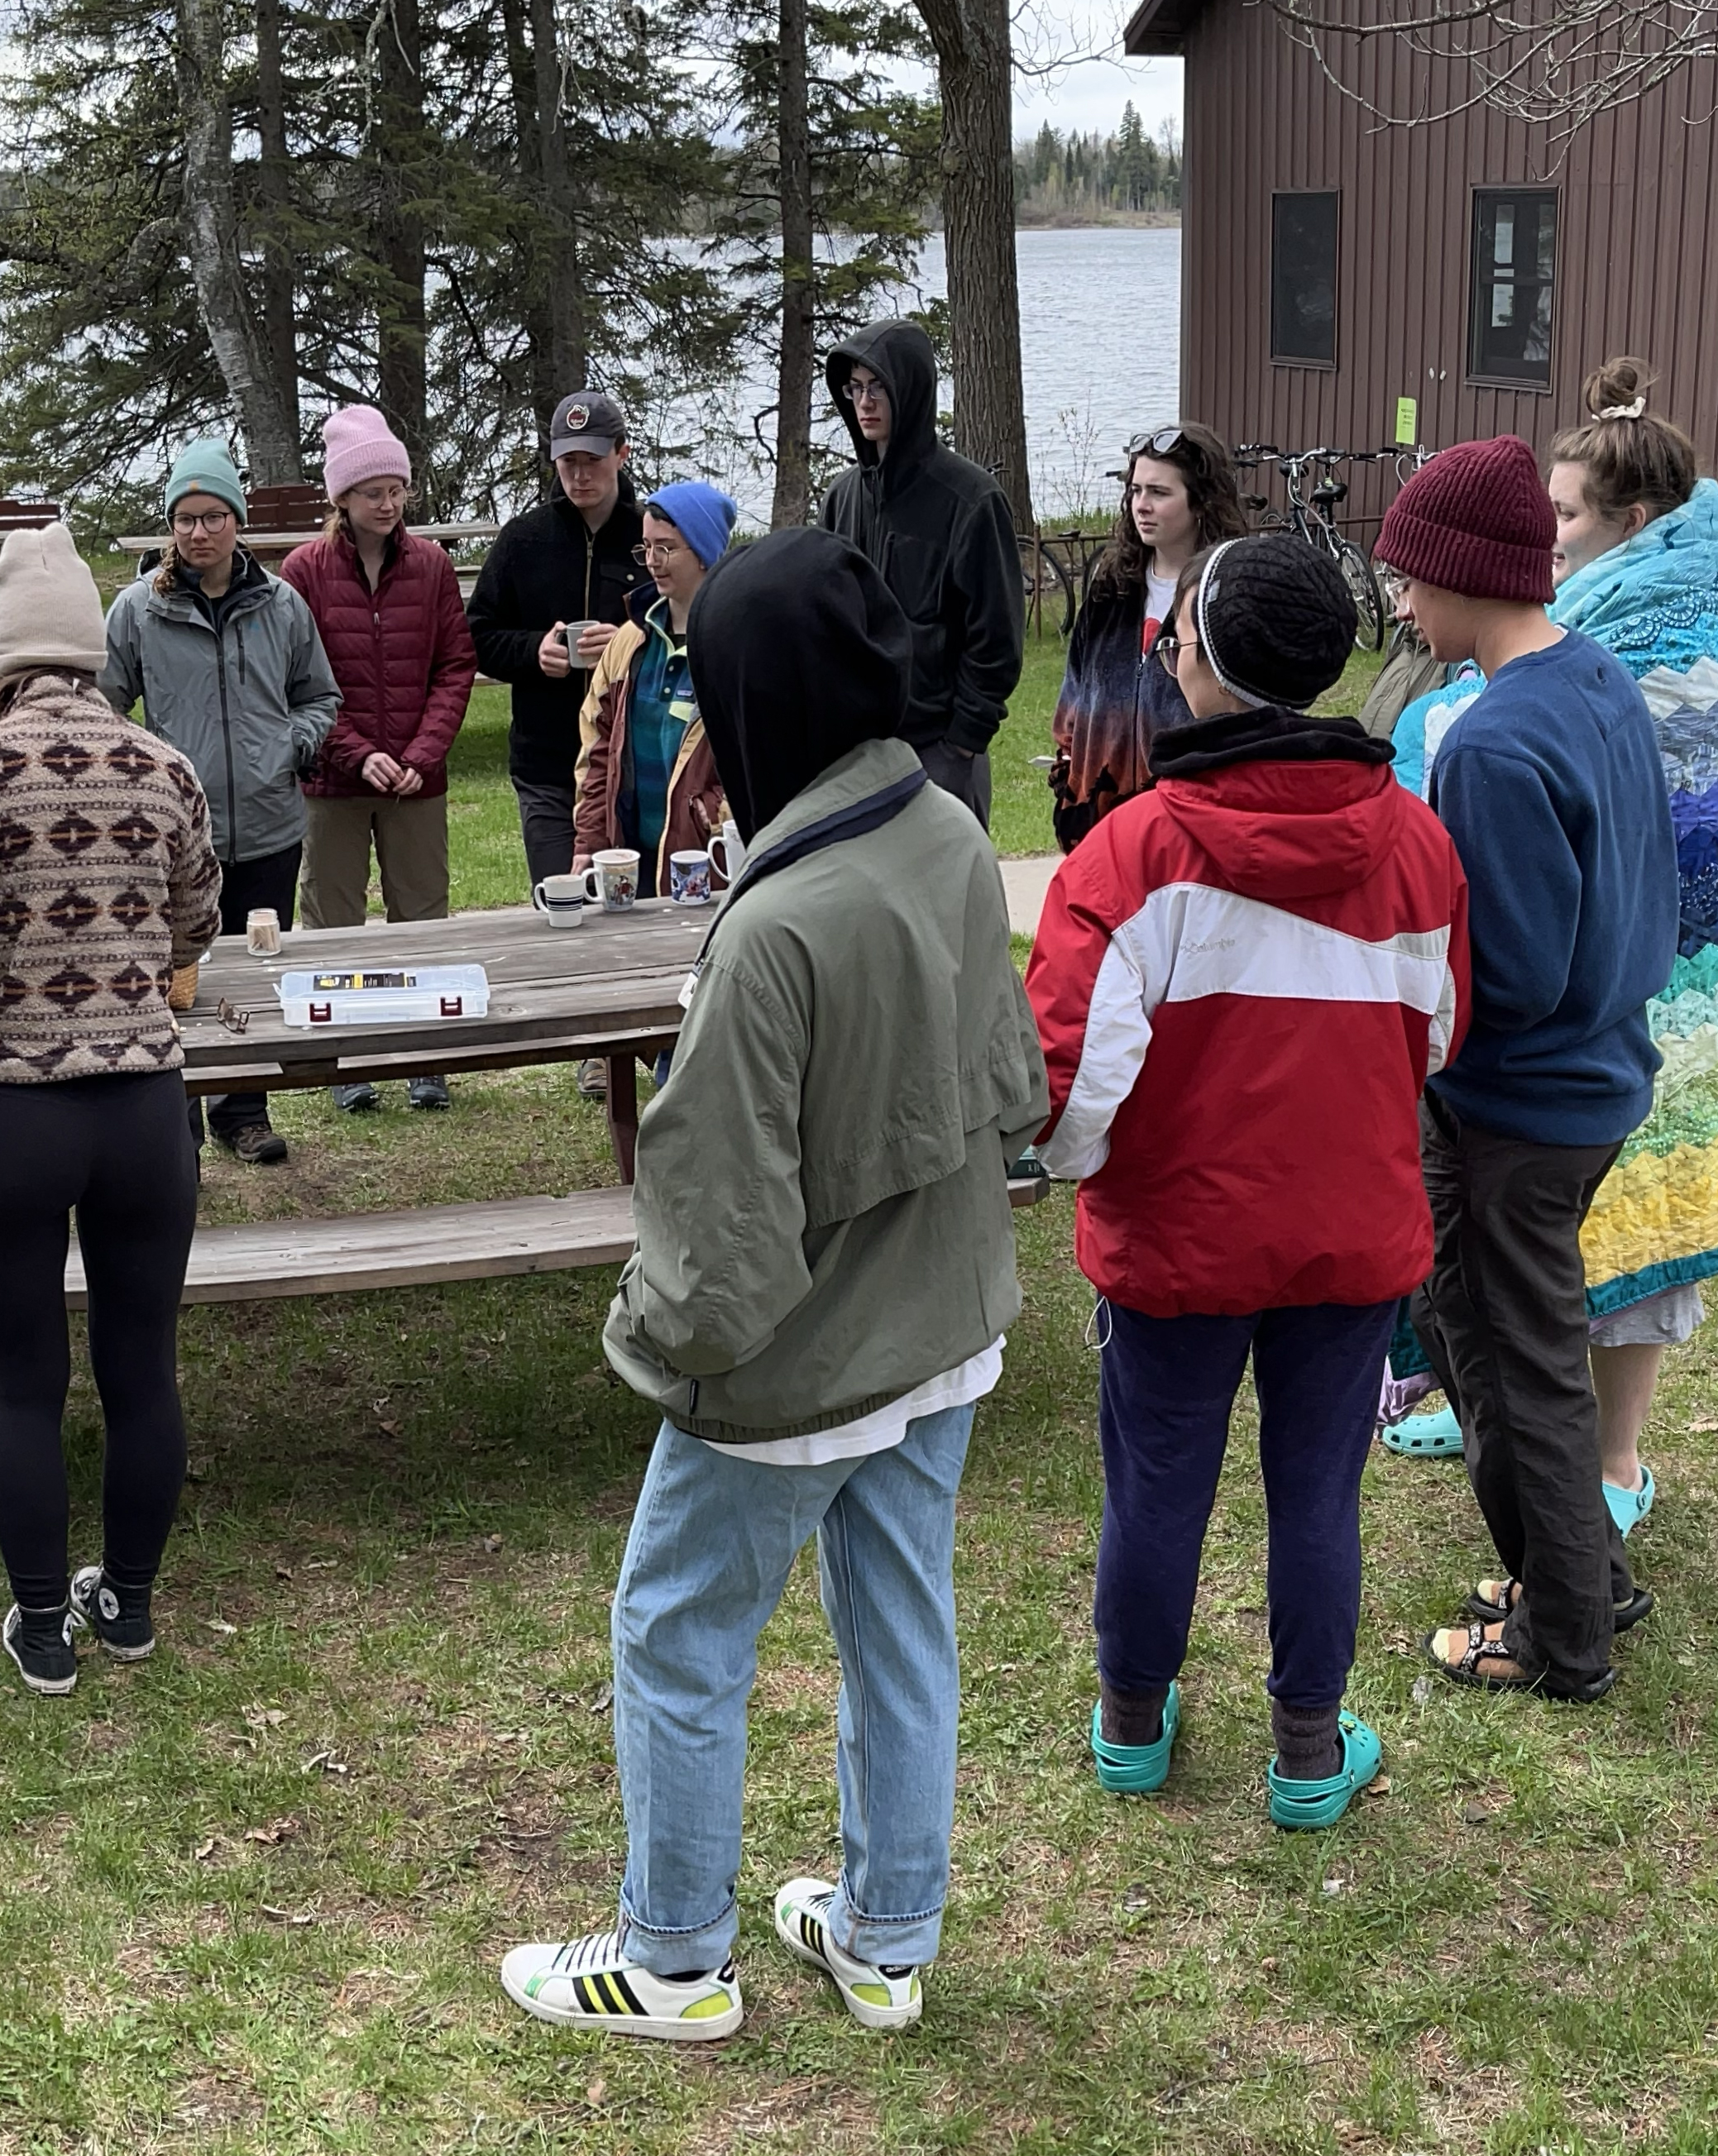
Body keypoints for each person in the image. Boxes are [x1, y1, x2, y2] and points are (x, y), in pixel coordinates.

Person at [497, 527, 1042, 2045]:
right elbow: (1003, 1078)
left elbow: (717, 1226)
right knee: (898, 1624)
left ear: (753, 694)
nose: (696, 714)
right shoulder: (935, 826)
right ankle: (884, 1936)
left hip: (799, 1367)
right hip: (941, 1329)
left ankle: (671, 1957)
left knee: (674, 1631)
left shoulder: (773, 931)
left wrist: (661, 1348)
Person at [1028, 533, 1458, 1832]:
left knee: (1156, 1479)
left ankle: (1131, 1722)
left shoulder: (1128, 855)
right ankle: (1307, 1745)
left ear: (1196, 658)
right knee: (1317, 1487)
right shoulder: (1417, 846)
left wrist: (1090, 1179)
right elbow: (1438, 1034)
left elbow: (1066, 1081)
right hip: (1346, 1237)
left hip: (1177, 1244)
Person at [1377, 366, 1718, 1536]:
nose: (1541, 537)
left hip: (1599, 1007)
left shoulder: (1630, 646)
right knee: (1519, 1298)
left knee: (1563, 1288)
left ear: (1631, 522)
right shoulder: (1581, 654)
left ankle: (1596, 1496)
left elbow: (1523, 944)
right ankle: (1531, 1472)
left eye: (1561, 517)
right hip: (1599, 993)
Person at [0, 524, 223, 1696]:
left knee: (22, 1379)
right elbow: (195, 928)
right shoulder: (164, 766)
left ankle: (42, 1624)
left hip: (11, 1111)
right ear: (90, 648)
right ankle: (127, 1603)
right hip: (144, 1107)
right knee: (144, 1368)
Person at [1377, 437, 1676, 1703]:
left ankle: (1562, 1634)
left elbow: (1506, 975)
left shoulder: (1489, 745)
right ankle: (1578, 1575)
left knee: (1516, 1364)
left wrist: (1403, 1037)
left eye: (1406, 576)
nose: (1397, 601)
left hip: (1515, 1106)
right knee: (1481, 1337)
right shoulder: (1596, 678)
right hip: (1593, 1082)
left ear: (1458, 573)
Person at [103, 439, 340, 1166]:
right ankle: (177, 1118)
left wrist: (287, 745)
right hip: (176, 838)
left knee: (249, 970)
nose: (198, 532)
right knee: (175, 975)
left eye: (212, 517)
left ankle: (245, 1111)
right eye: (184, 518)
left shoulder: (283, 605)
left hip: (270, 825)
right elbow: (106, 711)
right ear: (169, 526)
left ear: (236, 521)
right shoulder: (138, 611)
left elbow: (320, 697)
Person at [279, 404, 475, 1112]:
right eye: (373, 491)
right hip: (333, 781)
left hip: (416, 782)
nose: (389, 503)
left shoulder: (432, 565)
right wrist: (358, 754)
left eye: (397, 489)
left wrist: (422, 753)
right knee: (332, 918)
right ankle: (347, 1061)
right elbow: (297, 682)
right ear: (341, 497)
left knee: (421, 913)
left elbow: (455, 667)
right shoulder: (302, 571)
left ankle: (425, 1057)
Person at [821, 322, 1029, 821]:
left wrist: (963, 741)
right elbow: (827, 615)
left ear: (908, 389)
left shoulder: (970, 500)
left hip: (941, 750)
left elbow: (997, 638)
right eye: (855, 388)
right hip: (859, 750)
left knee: (948, 895)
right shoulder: (842, 498)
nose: (864, 402)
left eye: (878, 387)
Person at [467, 385, 649, 884]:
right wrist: (534, 652)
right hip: (545, 765)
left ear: (621, 453)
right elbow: (476, 636)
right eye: (568, 461)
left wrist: (627, 643)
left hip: (630, 764)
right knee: (560, 900)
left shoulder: (650, 538)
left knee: (629, 914)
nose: (580, 474)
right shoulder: (523, 540)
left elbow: (685, 633)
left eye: (592, 458)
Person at [1048, 425, 1255, 851]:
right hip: (1098, 832)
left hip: (1187, 838)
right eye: (1136, 491)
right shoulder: (1112, 590)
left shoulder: (1227, 596)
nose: (1141, 506)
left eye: (1159, 493)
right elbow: (1074, 700)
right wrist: (1069, 782)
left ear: (1200, 502)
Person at [570, 480, 735, 886]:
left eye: (666, 548)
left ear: (703, 552)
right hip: (628, 860)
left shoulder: (739, 645)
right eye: (646, 547)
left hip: (705, 862)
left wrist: (711, 815)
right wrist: (590, 843)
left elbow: (766, 757)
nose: (652, 561)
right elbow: (598, 751)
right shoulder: (629, 641)